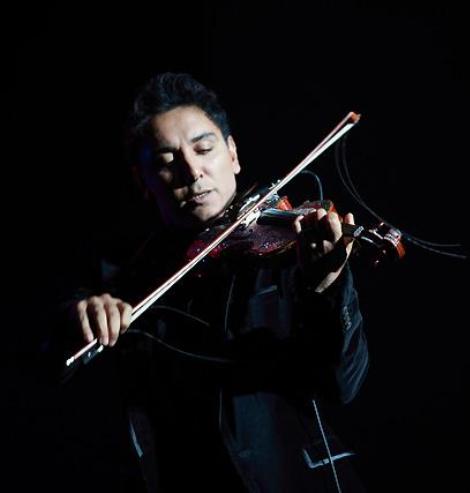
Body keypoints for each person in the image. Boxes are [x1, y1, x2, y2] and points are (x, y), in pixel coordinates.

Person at [56, 72, 369, 492]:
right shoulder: (130, 278)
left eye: (204, 149)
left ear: (233, 154)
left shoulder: (293, 250)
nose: (192, 171)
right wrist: (79, 318)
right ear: (143, 182)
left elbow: (342, 384)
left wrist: (328, 286)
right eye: (166, 162)